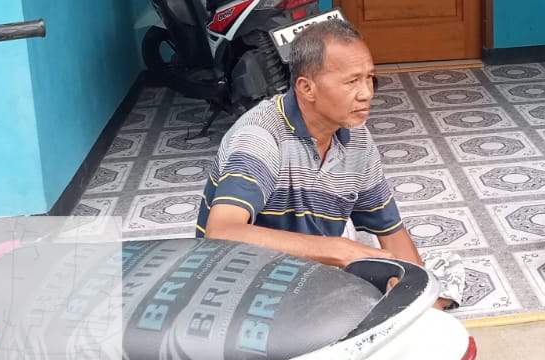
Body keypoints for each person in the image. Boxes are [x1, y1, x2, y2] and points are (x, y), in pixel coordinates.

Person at [195, 17, 460, 308]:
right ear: (306, 88)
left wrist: (419, 297)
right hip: (242, 288)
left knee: (426, 280)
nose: (366, 93)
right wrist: (339, 250)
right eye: (351, 81)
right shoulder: (261, 137)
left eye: (369, 78)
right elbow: (222, 232)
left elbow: (390, 230)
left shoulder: (357, 138)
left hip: (309, 274)